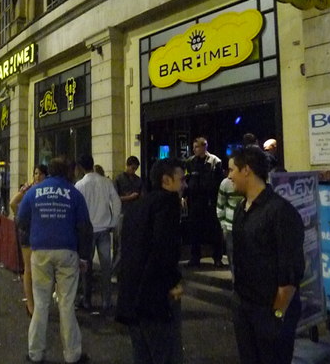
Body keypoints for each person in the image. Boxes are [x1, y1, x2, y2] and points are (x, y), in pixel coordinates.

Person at [228, 146, 304, 364]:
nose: (229, 176)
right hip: (244, 307)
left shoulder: (281, 212)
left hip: (269, 313)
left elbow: (290, 271)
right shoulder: (240, 209)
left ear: (247, 170)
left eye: (232, 170)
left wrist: (277, 316)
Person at [17, 157, 93, 364]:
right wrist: (84, 256)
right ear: (66, 171)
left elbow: (21, 219)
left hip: (40, 251)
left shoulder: (34, 192)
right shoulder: (74, 193)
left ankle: (35, 353)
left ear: (49, 171)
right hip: (67, 251)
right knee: (66, 304)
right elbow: (85, 227)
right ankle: (72, 355)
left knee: (40, 304)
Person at [116, 157, 186, 364]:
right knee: (165, 354)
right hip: (153, 298)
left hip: (130, 296)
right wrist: (172, 282)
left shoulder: (137, 207)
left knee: (142, 355)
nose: (184, 185)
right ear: (166, 180)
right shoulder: (168, 203)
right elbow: (164, 248)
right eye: (181, 179)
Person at [74, 155, 121, 312]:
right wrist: (113, 222)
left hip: (87, 231)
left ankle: (86, 300)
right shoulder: (106, 182)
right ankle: (106, 301)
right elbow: (116, 202)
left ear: (80, 167)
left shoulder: (80, 185)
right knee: (106, 267)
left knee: (86, 267)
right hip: (104, 230)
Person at [9, 164, 48, 317]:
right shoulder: (29, 190)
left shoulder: (45, 191)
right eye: (35, 174)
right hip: (28, 232)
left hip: (42, 232)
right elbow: (13, 203)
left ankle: (39, 301)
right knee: (29, 269)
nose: (37, 177)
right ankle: (30, 304)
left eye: (40, 174)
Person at [185, 137, 224, 267]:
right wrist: (185, 196)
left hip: (210, 200)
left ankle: (217, 257)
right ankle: (195, 257)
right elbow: (187, 179)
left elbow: (219, 180)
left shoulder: (214, 161)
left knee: (214, 230)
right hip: (195, 201)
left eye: (197, 147)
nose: (195, 149)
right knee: (194, 230)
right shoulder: (190, 162)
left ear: (204, 147)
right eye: (194, 147)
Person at [216, 174, 243, 274]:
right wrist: (223, 226)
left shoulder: (247, 184)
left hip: (245, 226)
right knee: (232, 257)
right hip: (230, 226)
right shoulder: (225, 183)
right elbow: (220, 206)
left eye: (233, 169)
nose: (230, 174)